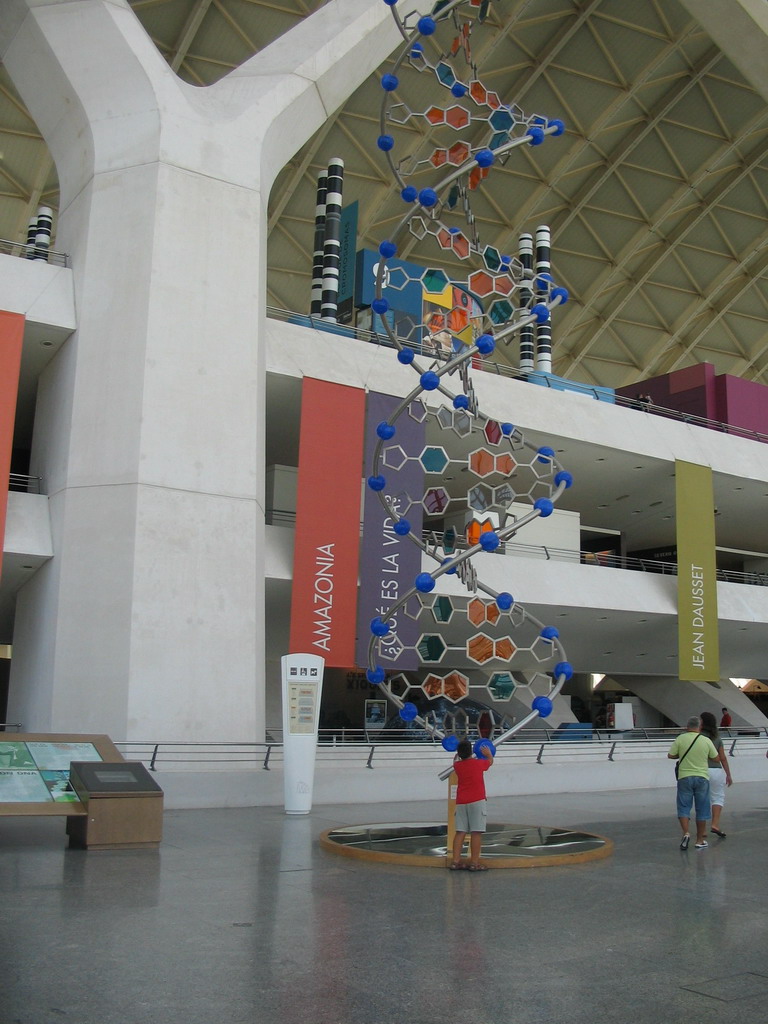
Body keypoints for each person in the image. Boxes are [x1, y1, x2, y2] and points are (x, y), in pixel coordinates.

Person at [667, 715, 719, 850]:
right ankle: (700, 840)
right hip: (702, 778)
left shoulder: (680, 738)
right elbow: (716, 758)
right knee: (702, 808)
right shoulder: (706, 740)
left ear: (687, 726)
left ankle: (686, 833)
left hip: (684, 777)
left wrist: (682, 754)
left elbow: (671, 755)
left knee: (683, 806)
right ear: (700, 726)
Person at [449, 738, 493, 871]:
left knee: (460, 831)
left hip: (461, 802)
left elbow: (455, 761)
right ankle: (474, 863)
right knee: (476, 832)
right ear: (471, 751)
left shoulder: (458, 766)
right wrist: (488, 753)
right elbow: (490, 762)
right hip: (477, 800)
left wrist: (457, 755)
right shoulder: (478, 764)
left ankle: (455, 861)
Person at [700, 710, 733, 837]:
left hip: (701, 770)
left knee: (702, 799)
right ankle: (715, 824)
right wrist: (728, 775)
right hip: (716, 771)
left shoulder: (698, 737)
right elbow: (723, 757)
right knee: (718, 797)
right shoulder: (717, 738)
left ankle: (702, 830)